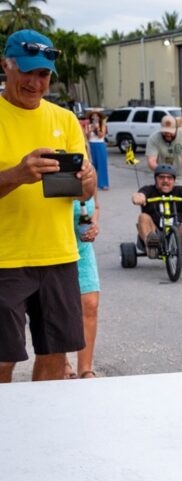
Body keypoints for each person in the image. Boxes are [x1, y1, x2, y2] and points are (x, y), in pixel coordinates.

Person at [0, 29, 97, 384]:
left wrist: (87, 182)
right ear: (5, 65)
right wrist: (15, 174)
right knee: (2, 361)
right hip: (5, 261)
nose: (34, 82)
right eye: (26, 71)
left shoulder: (64, 119)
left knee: (55, 356)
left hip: (58, 257)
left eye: (42, 75)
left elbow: (83, 190)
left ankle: (42, 435)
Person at [132, 164, 182, 271]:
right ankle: (151, 247)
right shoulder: (148, 190)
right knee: (143, 217)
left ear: (174, 180)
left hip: (178, 232)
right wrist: (138, 197)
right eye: (161, 177)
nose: (165, 180)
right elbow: (139, 195)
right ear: (156, 179)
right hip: (155, 232)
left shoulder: (180, 190)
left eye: (169, 178)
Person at [64, 197, 101, 379]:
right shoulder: (48, 170)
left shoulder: (88, 171)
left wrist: (94, 222)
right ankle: (61, 362)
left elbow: (97, 205)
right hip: (56, 249)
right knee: (58, 308)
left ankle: (85, 368)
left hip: (82, 248)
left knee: (90, 305)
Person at [146, 115, 182, 192]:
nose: (168, 134)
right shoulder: (153, 138)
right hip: (163, 180)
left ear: (176, 128)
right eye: (165, 132)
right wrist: (164, 173)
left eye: (170, 132)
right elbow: (151, 161)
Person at [84, 110, 109, 191]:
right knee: (93, 165)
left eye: (96, 116)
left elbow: (101, 136)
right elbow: (87, 137)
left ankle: (103, 184)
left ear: (99, 117)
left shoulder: (102, 125)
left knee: (102, 164)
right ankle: (93, 183)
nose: (95, 117)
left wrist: (97, 128)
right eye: (93, 116)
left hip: (100, 144)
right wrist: (90, 130)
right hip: (92, 145)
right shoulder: (89, 125)